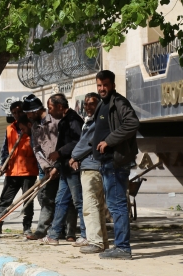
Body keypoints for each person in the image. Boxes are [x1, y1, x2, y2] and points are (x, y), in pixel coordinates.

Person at [92, 70, 139, 260]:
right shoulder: (102, 104)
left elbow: (132, 123)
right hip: (106, 162)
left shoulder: (118, 102)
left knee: (118, 204)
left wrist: (109, 141)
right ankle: (120, 246)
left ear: (112, 85)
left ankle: (123, 247)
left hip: (115, 161)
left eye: (105, 85)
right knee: (113, 204)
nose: (102, 88)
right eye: (99, 85)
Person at [40, 94, 86, 247]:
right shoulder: (64, 122)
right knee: (60, 201)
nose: (49, 111)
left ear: (60, 106)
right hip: (65, 168)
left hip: (73, 168)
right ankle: (53, 235)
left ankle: (86, 235)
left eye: (51, 108)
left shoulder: (74, 121)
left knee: (78, 201)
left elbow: (79, 142)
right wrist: (57, 166)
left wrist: (59, 153)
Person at [70, 92, 109, 254]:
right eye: (86, 104)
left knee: (90, 205)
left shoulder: (97, 122)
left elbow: (86, 143)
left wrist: (73, 156)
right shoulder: (91, 121)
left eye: (92, 103)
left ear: (98, 104)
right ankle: (102, 241)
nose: (88, 107)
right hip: (90, 166)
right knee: (97, 205)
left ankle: (95, 241)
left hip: (93, 168)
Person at [0, 103, 39, 235]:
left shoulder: (32, 128)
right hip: (12, 171)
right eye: (14, 112)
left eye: (19, 112)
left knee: (28, 201)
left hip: (28, 171)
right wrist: (3, 163)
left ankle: (27, 227)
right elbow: (5, 149)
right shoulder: (10, 129)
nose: (17, 115)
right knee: (5, 200)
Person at [23, 94, 61, 240]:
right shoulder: (34, 127)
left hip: (63, 166)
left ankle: (68, 232)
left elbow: (63, 144)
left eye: (29, 113)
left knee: (66, 200)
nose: (28, 116)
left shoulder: (55, 121)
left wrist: (57, 166)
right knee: (46, 198)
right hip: (48, 169)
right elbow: (37, 149)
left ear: (36, 110)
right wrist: (46, 166)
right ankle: (41, 231)